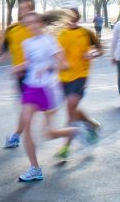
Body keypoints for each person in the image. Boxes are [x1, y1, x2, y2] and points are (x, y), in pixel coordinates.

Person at [14, 12, 83, 182]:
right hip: (31, 87)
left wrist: (48, 67)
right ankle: (35, 168)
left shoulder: (49, 42)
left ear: (40, 23)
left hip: (47, 88)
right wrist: (19, 67)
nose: (31, 26)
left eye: (33, 22)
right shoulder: (27, 43)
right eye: (27, 23)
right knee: (27, 127)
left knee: (48, 133)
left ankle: (78, 130)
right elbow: (30, 63)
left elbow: (64, 64)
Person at [56, 6, 103, 159]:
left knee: (70, 106)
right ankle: (91, 124)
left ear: (77, 16)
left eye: (73, 14)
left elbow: (101, 50)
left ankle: (66, 147)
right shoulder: (59, 33)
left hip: (80, 76)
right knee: (72, 109)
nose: (70, 17)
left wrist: (92, 55)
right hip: (62, 78)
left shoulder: (86, 33)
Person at [2, 0, 35, 148]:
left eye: (26, 9)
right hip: (21, 75)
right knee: (26, 108)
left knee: (32, 110)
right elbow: (6, 44)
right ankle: (17, 135)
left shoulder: (35, 30)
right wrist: (4, 54)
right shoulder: (12, 29)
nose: (23, 12)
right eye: (21, 9)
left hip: (36, 73)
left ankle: (79, 126)